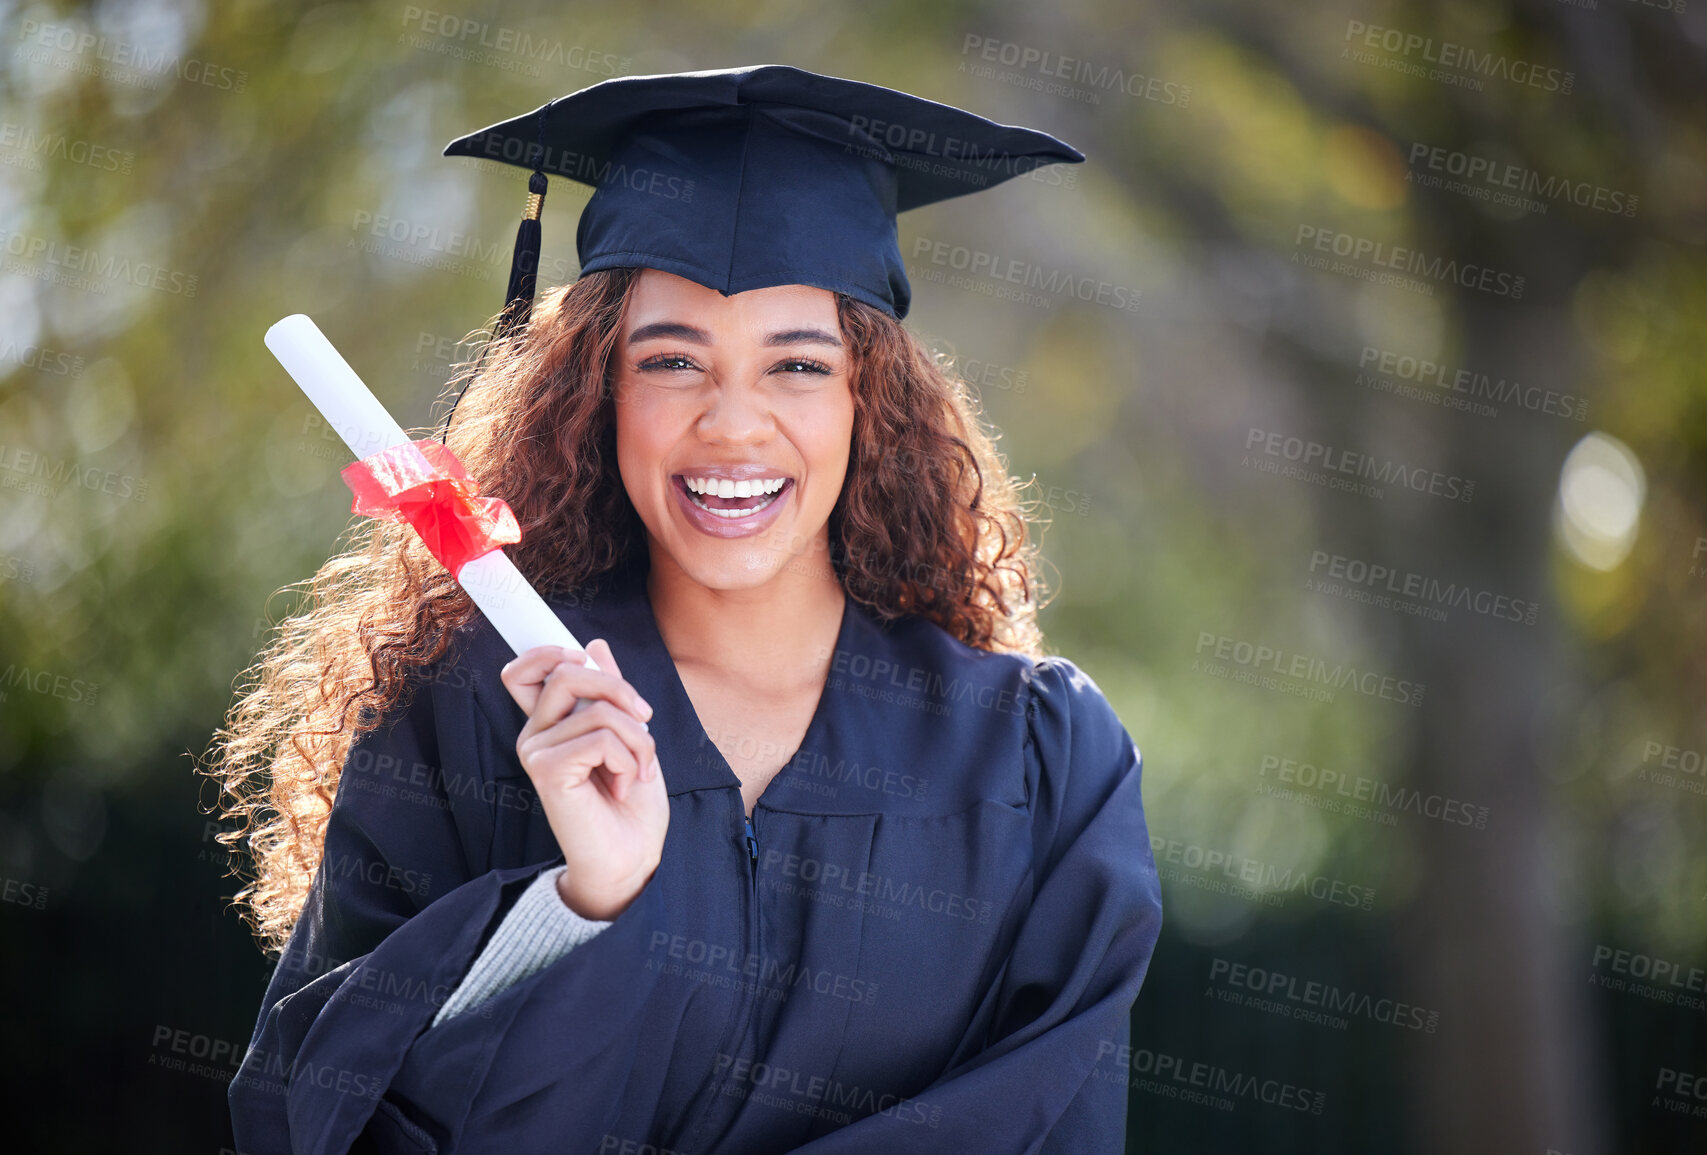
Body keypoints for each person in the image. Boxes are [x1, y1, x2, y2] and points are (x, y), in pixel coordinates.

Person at [208, 64, 1161, 1154]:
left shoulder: (1037, 758)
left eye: (798, 365)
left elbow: (1049, 1122)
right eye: (671, 360)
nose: (734, 426)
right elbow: (312, 1118)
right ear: (596, 391)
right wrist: (580, 906)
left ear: (872, 399)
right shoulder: (472, 715)